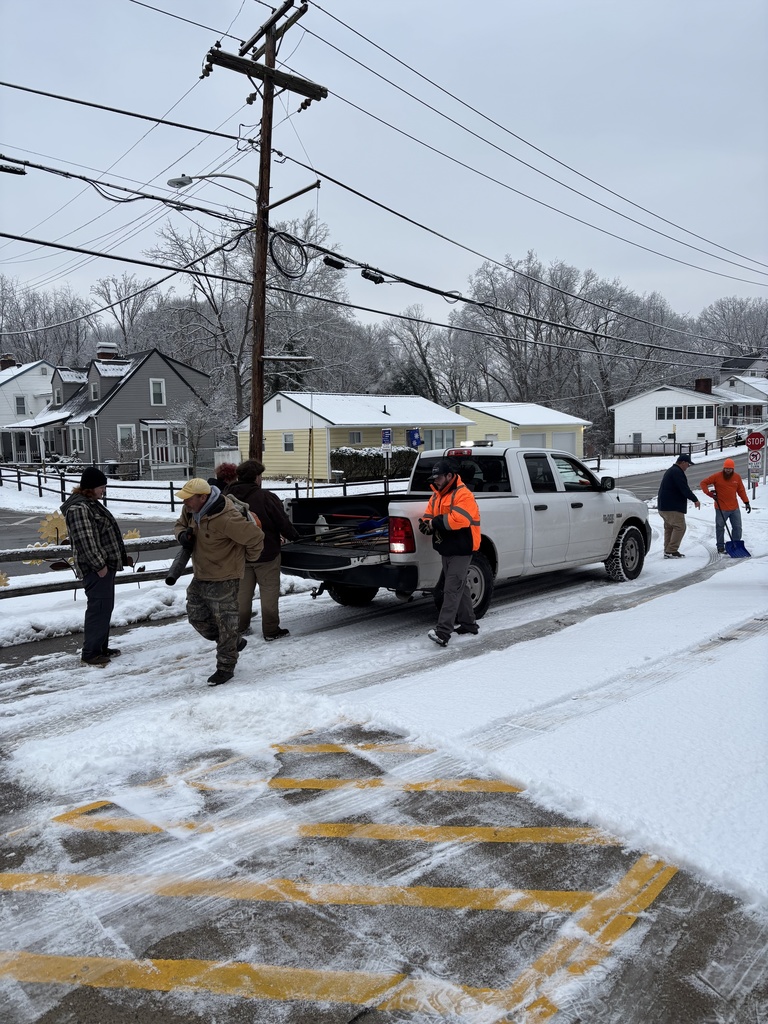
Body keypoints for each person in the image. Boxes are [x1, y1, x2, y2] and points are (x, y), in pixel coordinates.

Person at [174, 478, 264, 686]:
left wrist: (246, 560)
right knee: (196, 617)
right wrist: (182, 536)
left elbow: (255, 538)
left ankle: (225, 667)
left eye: (188, 499)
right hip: (201, 574)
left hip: (225, 577)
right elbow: (179, 525)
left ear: (203, 498)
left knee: (227, 625)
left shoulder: (227, 518)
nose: (185, 502)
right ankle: (234, 642)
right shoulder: (190, 510)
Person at [61, 466, 133, 667]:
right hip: (96, 569)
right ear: (91, 487)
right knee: (98, 608)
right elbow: (86, 541)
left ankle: (101, 647)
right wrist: (99, 565)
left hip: (104, 567)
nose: (104, 491)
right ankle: (91, 653)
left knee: (104, 608)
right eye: (102, 487)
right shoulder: (79, 509)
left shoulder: (90, 504)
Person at [225, 459, 300, 640]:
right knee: (269, 592)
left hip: (239, 554)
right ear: (257, 477)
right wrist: (296, 537)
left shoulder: (226, 497)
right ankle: (271, 630)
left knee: (242, 594)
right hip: (266, 553)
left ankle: (241, 627)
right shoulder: (265, 497)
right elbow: (281, 522)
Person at [418, 458, 481, 647]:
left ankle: (443, 632)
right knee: (460, 587)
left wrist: (434, 524)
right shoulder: (437, 495)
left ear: (450, 476)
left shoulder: (464, 495)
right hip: (447, 548)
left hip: (462, 549)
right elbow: (429, 514)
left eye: (438, 478)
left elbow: (459, 519)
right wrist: (425, 523)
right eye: (434, 478)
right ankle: (469, 624)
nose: (436, 481)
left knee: (451, 589)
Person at [699, 457, 750, 553]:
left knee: (737, 527)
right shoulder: (717, 476)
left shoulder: (737, 477)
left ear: (733, 469)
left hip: (734, 508)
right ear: (724, 468)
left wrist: (746, 502)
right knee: (720, 527)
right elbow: (703, 483)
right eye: (726, 468)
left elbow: (741, 491)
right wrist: (709, 493)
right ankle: (720, 547)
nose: (728, 470)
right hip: (721, 507)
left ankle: (736, 545)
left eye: (730, 469)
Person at [656, 453, 701, 559]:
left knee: (669, 528)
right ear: (683, 462)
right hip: (673, 507)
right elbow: (684, 488)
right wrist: (695, 499)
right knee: (680, 527)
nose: (688, 467)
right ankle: (671, 550)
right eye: (688, 464)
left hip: (664, 506)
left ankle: (667, 550)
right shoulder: (677, 472)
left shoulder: (671, 470)